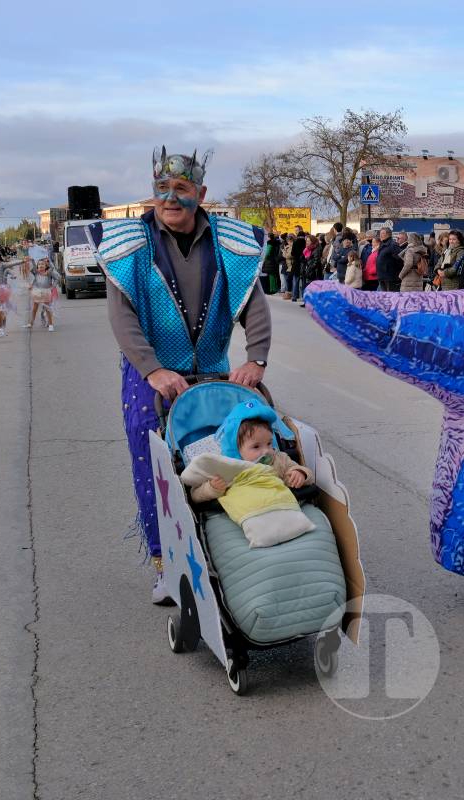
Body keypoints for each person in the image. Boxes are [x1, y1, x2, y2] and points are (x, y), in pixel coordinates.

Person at [97, 145, 271, 604]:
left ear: (202, 194)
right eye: (161, 189)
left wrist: (256, 358)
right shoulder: (129, 243)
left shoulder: (230, 241)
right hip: (149, 376)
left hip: (211, 373)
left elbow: (254, 304)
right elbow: (123, 317)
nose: (169, 198)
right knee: (154, 464)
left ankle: (224, 555)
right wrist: (153, 370)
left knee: (223, 460)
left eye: (181, 189)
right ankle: (164, 562)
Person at [187, 403, 313, 548]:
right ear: (235, 448)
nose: (266, 451)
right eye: (256, 446)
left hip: (279, 508)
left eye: (269, 443)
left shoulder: (278, 459)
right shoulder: (225, 467)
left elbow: (302, 472)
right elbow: (195, 495)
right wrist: (212, 489)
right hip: (238, 518)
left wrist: (300, 473)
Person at [27, 256, 61, 331]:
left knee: (47, 308)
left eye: (43, 264)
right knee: (34, 308)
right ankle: (31, 323)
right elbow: (33, 267)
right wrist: (32, 260)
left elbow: (57, 278)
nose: (41, 265)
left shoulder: (48, 273)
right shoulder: (36, 272)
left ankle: (51, 324)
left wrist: (53, 286)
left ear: (46, 266)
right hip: (37, 292)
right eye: (39, 264)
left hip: (46, 292)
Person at [376, 228, 402, 292]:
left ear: (388, 234)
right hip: (382, 276)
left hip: (390, 277)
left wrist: (392, 269)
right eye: (380, 233)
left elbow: (400, 259)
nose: (380, 235)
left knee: (392, 296)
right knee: (385, 297)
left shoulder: (393, 244)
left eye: (382, 233)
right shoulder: (382, 244)